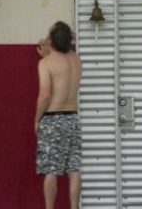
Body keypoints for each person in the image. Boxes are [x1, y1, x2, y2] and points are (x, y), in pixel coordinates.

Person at [35, 21, 82, 209]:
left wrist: (37, 118)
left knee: (51, 170)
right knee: (74, 169)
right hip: (72, 117)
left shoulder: (45, 63)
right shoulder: (76, 60)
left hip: (53, 119)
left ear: (52, 40)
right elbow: (63, 68)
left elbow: (45, 95)